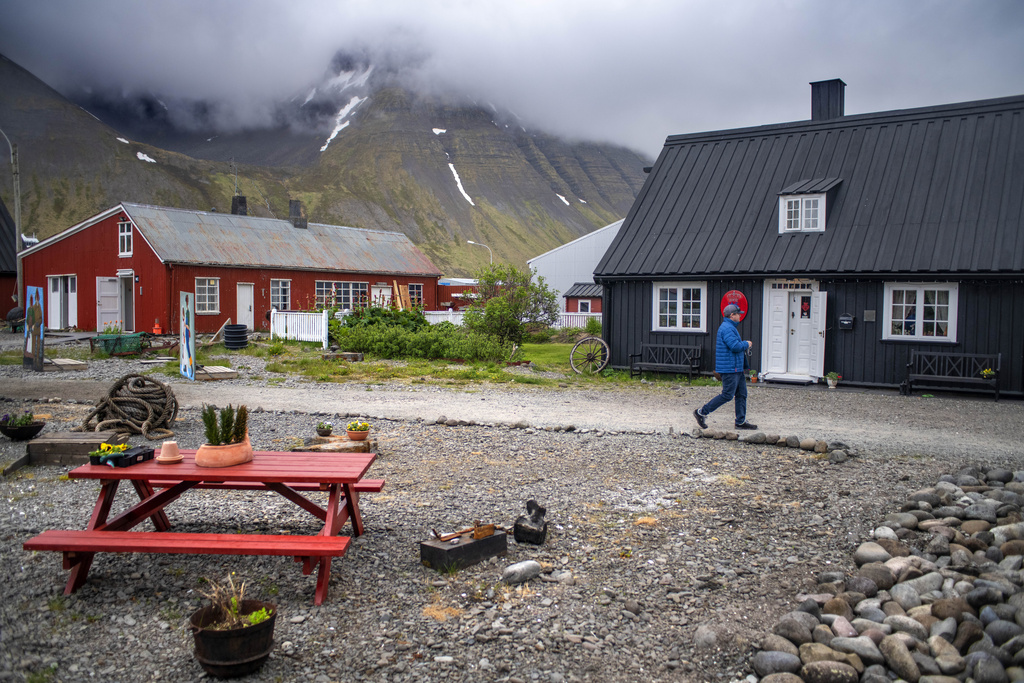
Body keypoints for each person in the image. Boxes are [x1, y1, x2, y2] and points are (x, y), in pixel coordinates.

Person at [694, 303, 757, 430]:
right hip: (730, 368)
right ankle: (701, 412)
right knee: (727, 395)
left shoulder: (729, 327)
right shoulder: (727, 328)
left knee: (742, 394)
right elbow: (735, 346)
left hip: (736, 368)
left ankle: (740, 421)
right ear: (732, 315)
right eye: (738, 314)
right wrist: (746, 344)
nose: (740, 316)